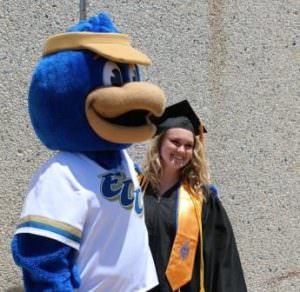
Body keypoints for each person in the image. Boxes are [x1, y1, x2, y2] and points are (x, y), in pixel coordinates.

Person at [141, 100, 247, 292]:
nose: (181, 150)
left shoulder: (202, 201)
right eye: (175, 142)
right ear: (160, 142)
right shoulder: (136, 190)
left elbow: (222, 260)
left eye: (188, 145)